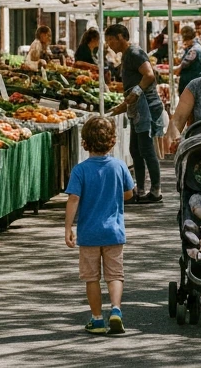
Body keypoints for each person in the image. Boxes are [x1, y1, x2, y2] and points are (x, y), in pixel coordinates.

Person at [64, 116, 135, 335]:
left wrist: (68, 227)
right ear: (113, 141)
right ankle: (116, 310)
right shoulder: (119, 166)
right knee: (115, 275)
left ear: (84, 143)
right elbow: (129, 193)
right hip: (114, 232)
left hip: (89, 234)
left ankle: (96, 319)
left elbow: (73, 199)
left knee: (91, 278)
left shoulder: (80, 170)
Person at [105, 24, 164, 204]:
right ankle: (140, 189)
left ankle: (155, 190)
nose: (109, 45)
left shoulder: (135, 53)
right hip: (137, 108)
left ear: (122, 36)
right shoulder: (126, 55)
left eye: (111, 40)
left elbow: (149, 75)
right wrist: (121, 106)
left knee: (146, 149)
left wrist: (136, 92)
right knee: (135, 150)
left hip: (145, 106)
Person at [174, 24, 201, 90]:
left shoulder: (194, 50)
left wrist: (170, 70)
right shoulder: (194, 47)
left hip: (191, 81)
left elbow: (183, 65)